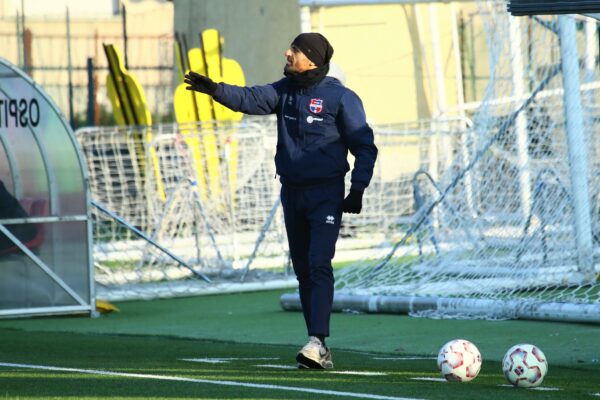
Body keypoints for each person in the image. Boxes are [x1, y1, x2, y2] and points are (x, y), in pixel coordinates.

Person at [185, 32, 377, 369]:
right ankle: (319, 347)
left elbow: (364, 146)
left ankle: (317, 341)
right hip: (292, 194)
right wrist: (216, 90)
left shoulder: (342, 98)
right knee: (303, 270)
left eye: (296, 50)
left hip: (325, 196)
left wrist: (357, 189)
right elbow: (250, 98)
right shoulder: (284, 91)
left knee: (319, 263)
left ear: (313, 58)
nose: (286, 52)